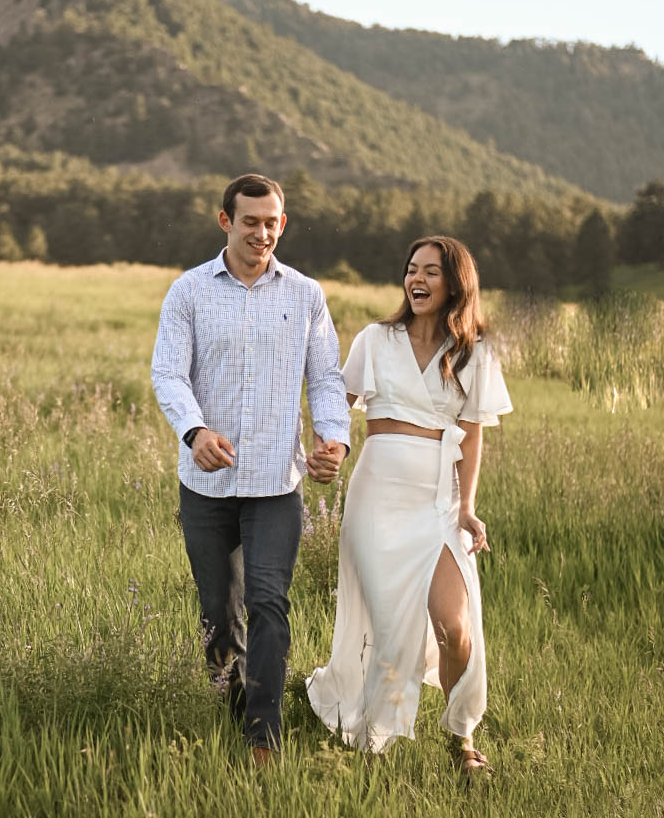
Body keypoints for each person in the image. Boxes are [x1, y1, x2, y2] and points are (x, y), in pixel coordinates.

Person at [151, 173, 350, 765]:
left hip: (274, 483)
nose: (263, 233)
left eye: (272, 222)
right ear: (225, 222)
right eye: (251, 222)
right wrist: (195, 432)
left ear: (282, 224)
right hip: (206, 484)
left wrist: (334, 439)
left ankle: (264, 734)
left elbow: (327, 378)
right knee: (219, 613)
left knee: (269, 602)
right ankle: (235, 699)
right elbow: (168, 373)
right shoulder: (188, 293)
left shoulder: (307, 296)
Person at [307, 236, 512, 776]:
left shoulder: (473, 351)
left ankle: (460, 735)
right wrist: (328, 445)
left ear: (454, 283)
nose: (416, 279)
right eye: (411, 269)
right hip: (376, 495)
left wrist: (467, 508)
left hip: (437, 503)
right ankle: (376, 738)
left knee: (454, 627)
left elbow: (471, 438)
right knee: (391, 629)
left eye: (430, 272)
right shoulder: (376, 339)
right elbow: (337, 404)